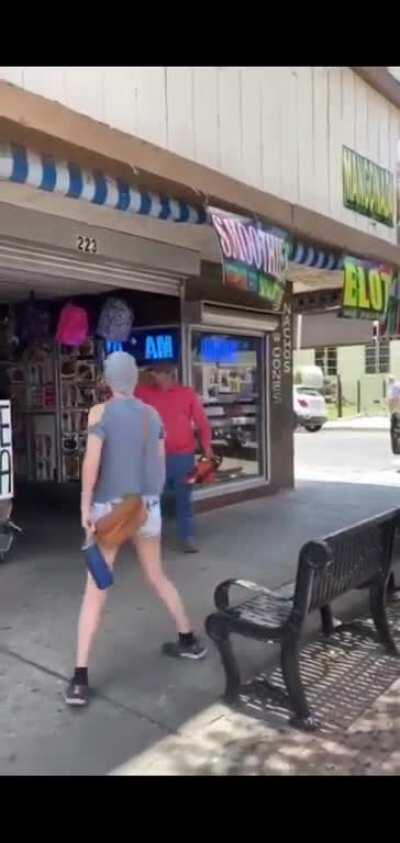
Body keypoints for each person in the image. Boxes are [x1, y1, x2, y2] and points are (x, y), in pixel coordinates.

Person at [65, 351, 207, 707]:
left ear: (109, 380)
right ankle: (189, 639)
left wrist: (85, 507)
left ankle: (80, 679)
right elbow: (157, 467)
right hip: (146, 509)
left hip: (111, 510)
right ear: (134, 379)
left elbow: (91, 464)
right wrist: (149, 502)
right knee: (158, 576)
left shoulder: (100, 413)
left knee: (96, 590)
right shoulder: (151, 414)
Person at [136, 363, 213, 553]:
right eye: (152, 373)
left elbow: (202, 423)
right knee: (153, 500)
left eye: (157, 373)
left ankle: (186, 537)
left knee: (183, 498)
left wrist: (207, 448)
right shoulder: (143, 393)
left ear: (169, 374)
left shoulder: (186, 394)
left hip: (182, 456)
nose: (154, 376)